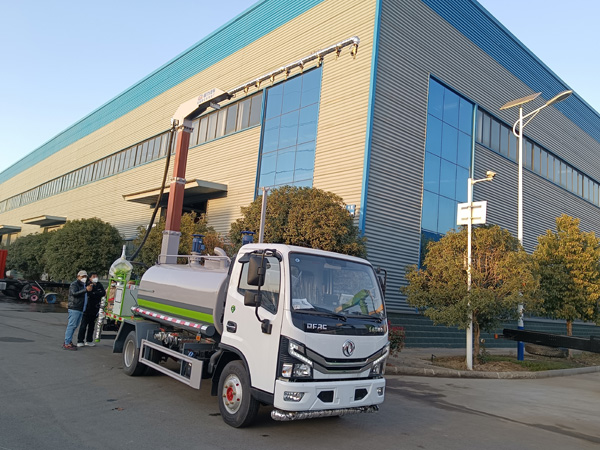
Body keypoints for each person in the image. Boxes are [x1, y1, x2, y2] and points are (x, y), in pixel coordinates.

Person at [63, 270, 92, 350]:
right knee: (71, 325)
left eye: (85, 276)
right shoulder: (74, 284)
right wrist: (85, 290)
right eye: (82, 276)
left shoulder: (84, 285)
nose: (84, 278)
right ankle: (67, 342)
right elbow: (74, 293)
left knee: (74, 325)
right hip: (75, 307)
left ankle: (68, 341)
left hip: (80, 308)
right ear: (78, 276)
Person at [76, 272, 106, 347]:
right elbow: (88, 293)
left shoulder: (99, 285)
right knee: (83, 325)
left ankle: (89, 340)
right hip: (87, 308)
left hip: (95, 308)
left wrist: (94, 293)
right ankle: (80, 340)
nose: (95, 277)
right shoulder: (87, 284)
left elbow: (103, 293)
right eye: (93, 276)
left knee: (92, 325)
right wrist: (94, 293)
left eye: (96, 276)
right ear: (90, 278)